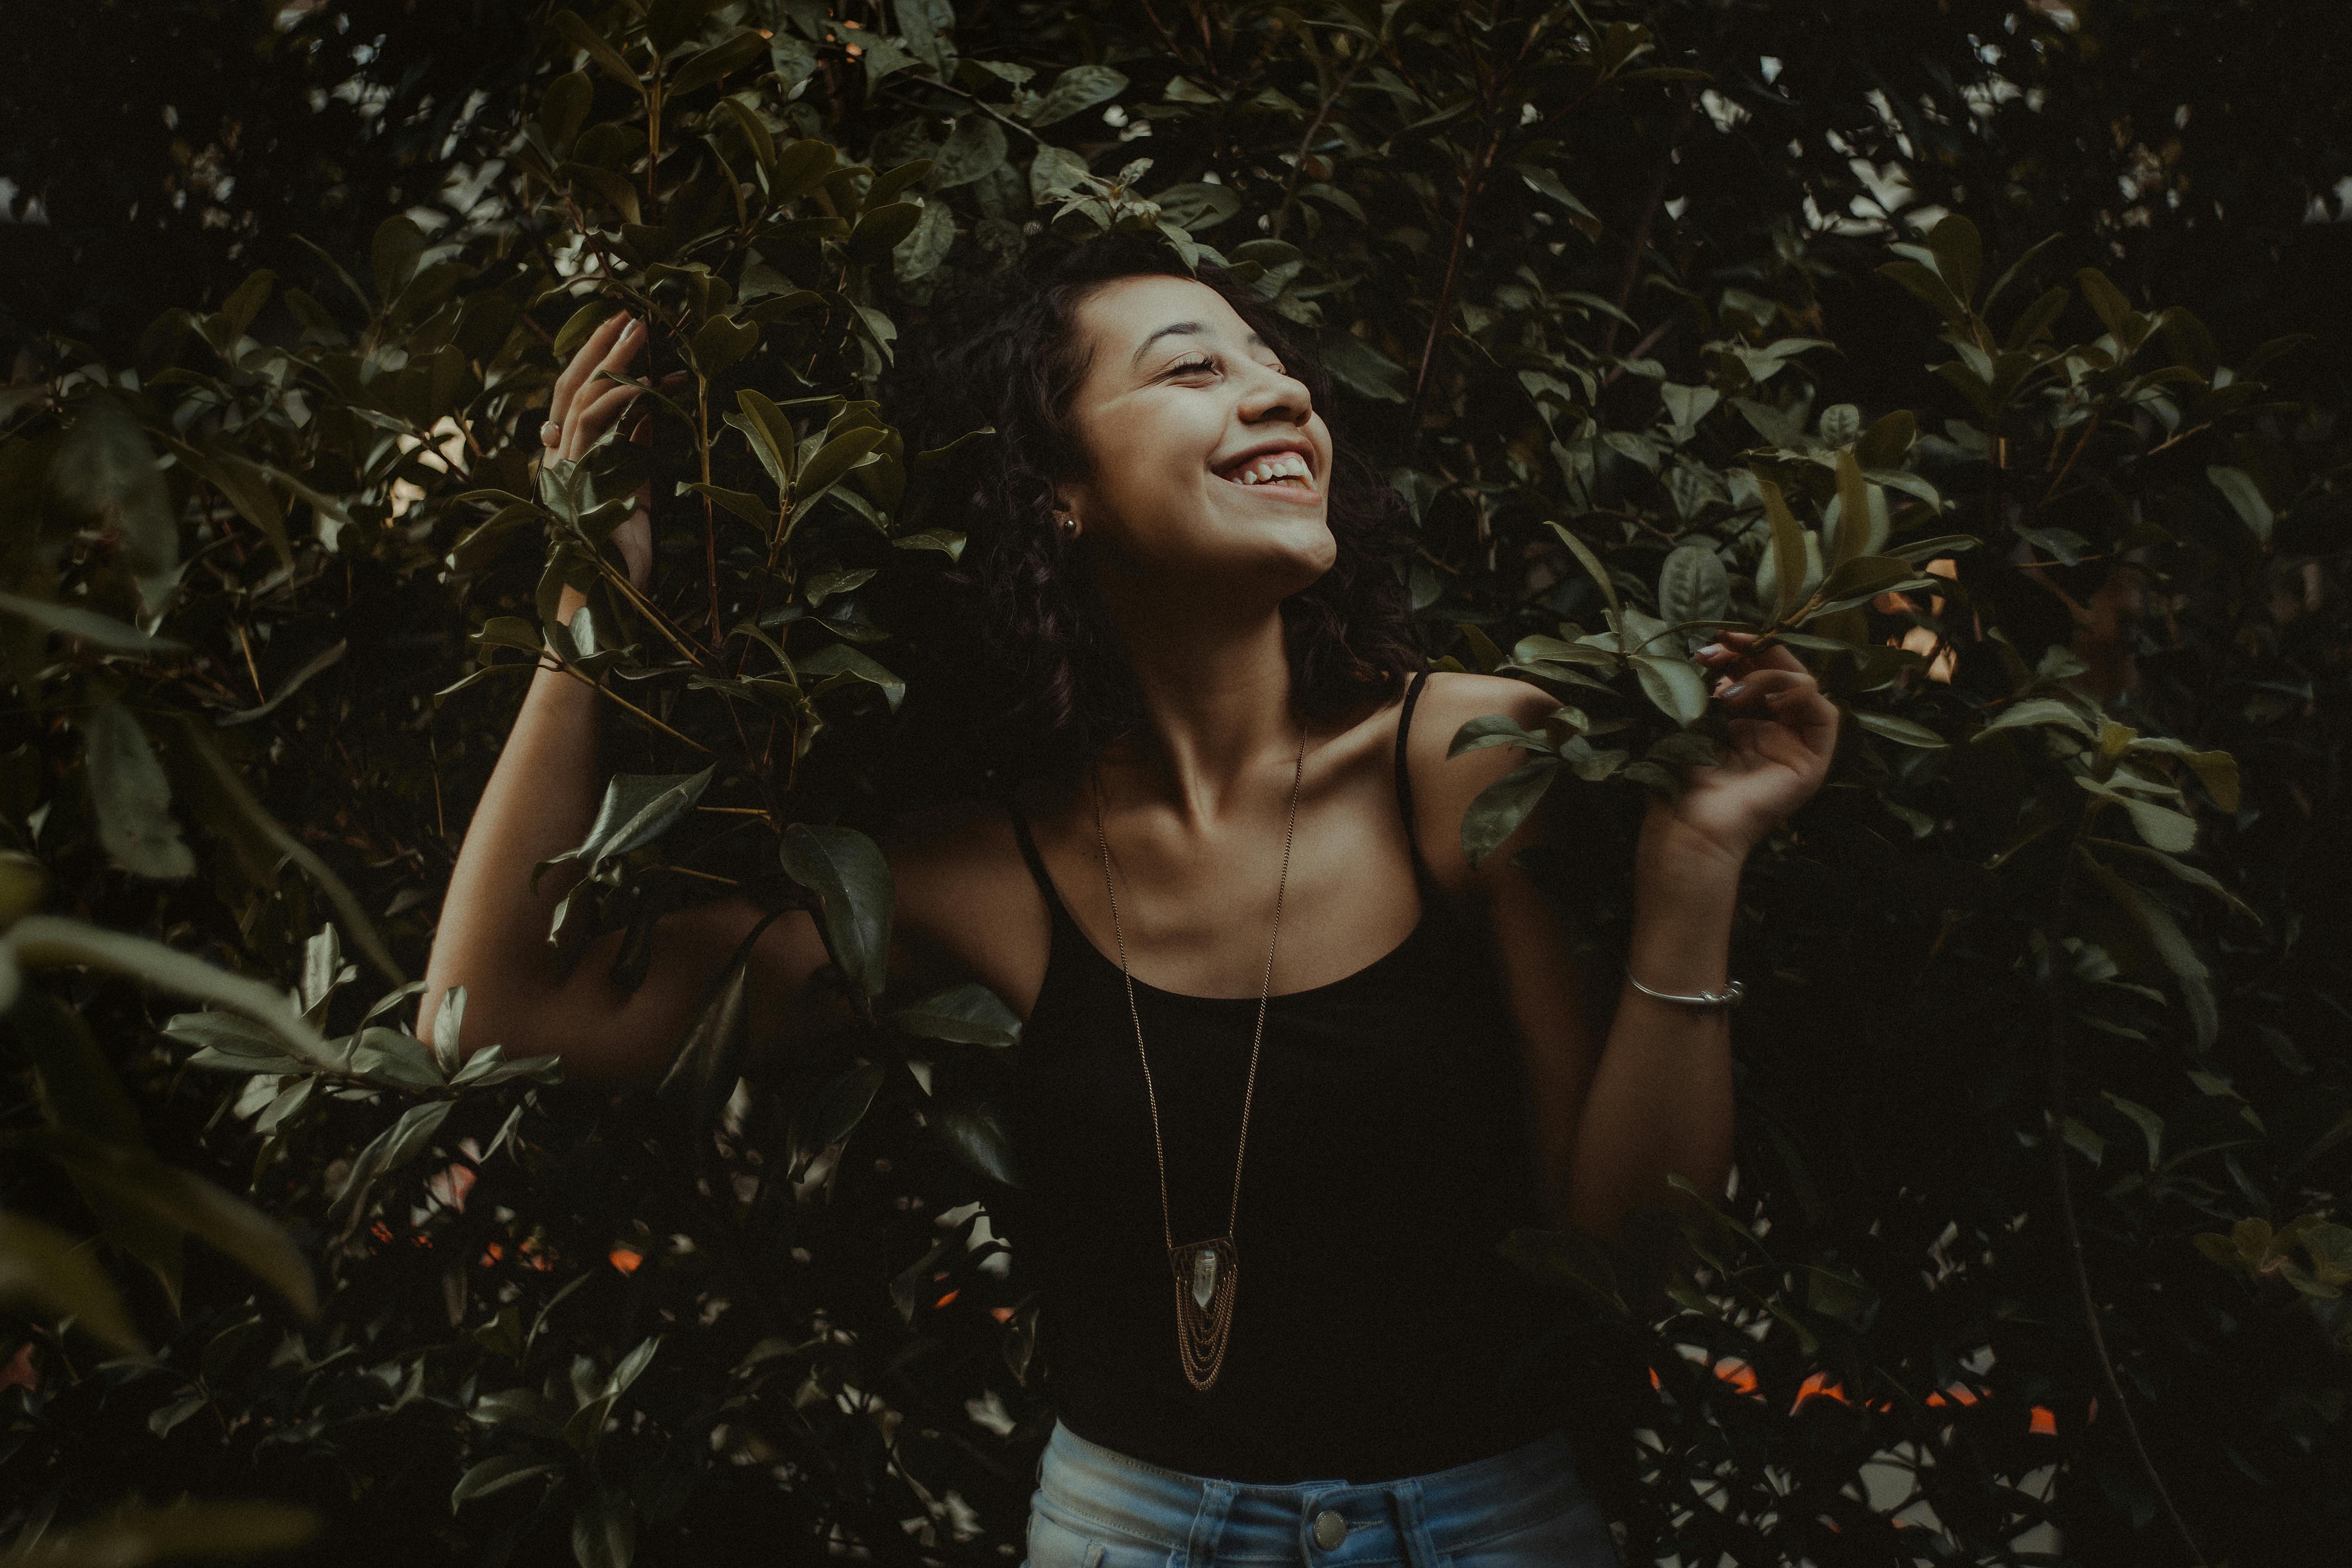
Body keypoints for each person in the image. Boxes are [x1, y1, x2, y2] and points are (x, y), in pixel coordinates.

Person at [420, 239, 1839, 1566]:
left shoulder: (1472, 763)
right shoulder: (986, 879)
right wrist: (583, 616)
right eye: (1191, 367)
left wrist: (1694, 875)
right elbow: (494, 1013)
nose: (1277, 387)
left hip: (1489, 1526)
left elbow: (1626, 1264)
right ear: (1059, 487)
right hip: (1134, 1530)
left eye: (1274, 364)